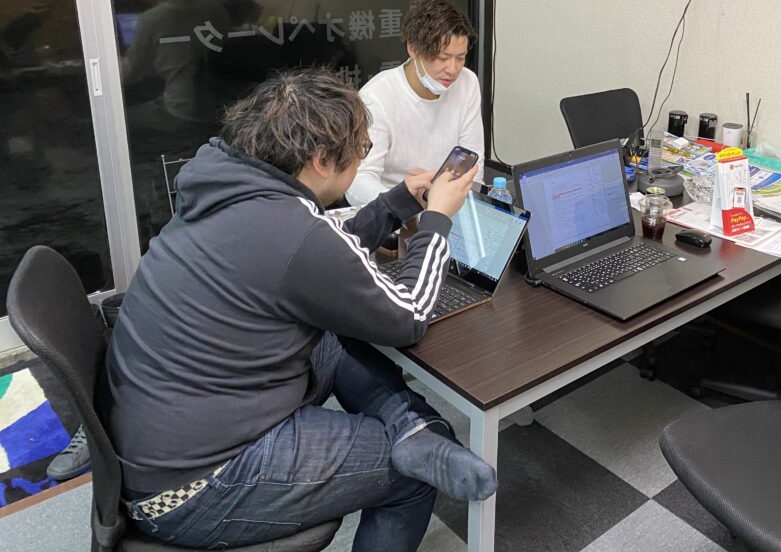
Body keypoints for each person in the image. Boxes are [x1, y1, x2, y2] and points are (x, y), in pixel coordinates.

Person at [101, 68, 496, 550]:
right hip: (194, 486)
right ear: (322, 161)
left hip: (163, 433)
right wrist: (436, 219)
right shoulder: (295, 230)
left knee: (332, 330)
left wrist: (394, 204)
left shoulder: (225, 186)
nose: (362, 158)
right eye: (361, 150)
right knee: (412, 480)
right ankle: (417, 433)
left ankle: (411, 426)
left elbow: (313, 263)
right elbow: (408, 315)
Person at [346, 0, 485, 207]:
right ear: (413, 49)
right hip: (394, 212)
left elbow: (473, 162)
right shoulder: (377, 97)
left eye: (460, 57)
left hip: (449, 206)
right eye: (442, 58)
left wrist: (447, 201)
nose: (453, 69)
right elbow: (358, 181)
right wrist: (407, 201)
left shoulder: (467, 82)